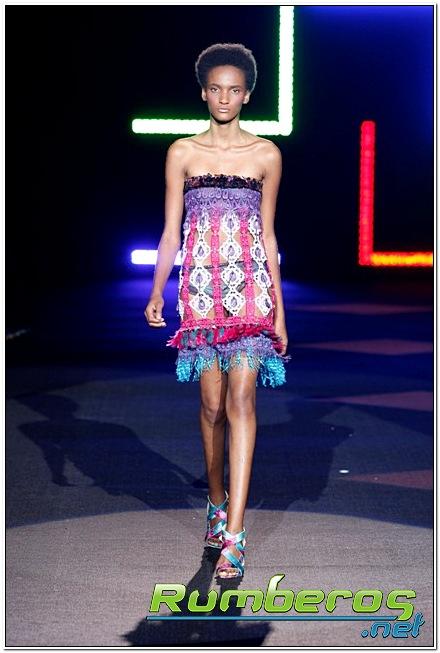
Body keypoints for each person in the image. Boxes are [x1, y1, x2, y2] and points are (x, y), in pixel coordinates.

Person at [144, 42, 291, 579]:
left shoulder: (266, 155)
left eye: (234, 90)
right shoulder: (182, 152)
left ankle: (235, 535)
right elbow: (170, 232)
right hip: (201, 292)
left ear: (247, 95)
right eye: (215, 89)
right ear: (204, 92)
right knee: (211, 407)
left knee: (241, 401)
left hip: (251, 290)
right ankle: (215, 501)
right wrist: (158, 290)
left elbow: (268, 235)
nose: (225, 98)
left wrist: (280, 311)